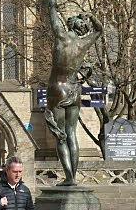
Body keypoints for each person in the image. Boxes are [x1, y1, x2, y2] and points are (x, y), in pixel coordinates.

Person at [45, 13, 102, 185]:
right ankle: (73, 178)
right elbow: (99, 30)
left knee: (61, 136)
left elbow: (51, 7)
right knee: (72, 134)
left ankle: (69, 178)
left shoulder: (62, 36)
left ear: (70, 26)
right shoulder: (83, 43)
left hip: (58, 90)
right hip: (75, 90)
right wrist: (92, 17)